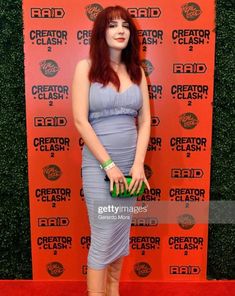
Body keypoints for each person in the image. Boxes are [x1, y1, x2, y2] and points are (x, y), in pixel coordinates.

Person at [72, 5, 151, 296]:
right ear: (101, 32)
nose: (120, 31)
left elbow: (144, 122)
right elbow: (81, 120)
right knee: (104, 233)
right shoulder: (86, 67)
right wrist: (108, 165)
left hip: (131, 168)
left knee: (119, 232)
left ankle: (113, 290)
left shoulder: (137, 72)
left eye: (125, 26)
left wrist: (138, 165)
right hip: (99, 167)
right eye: (113, 25)